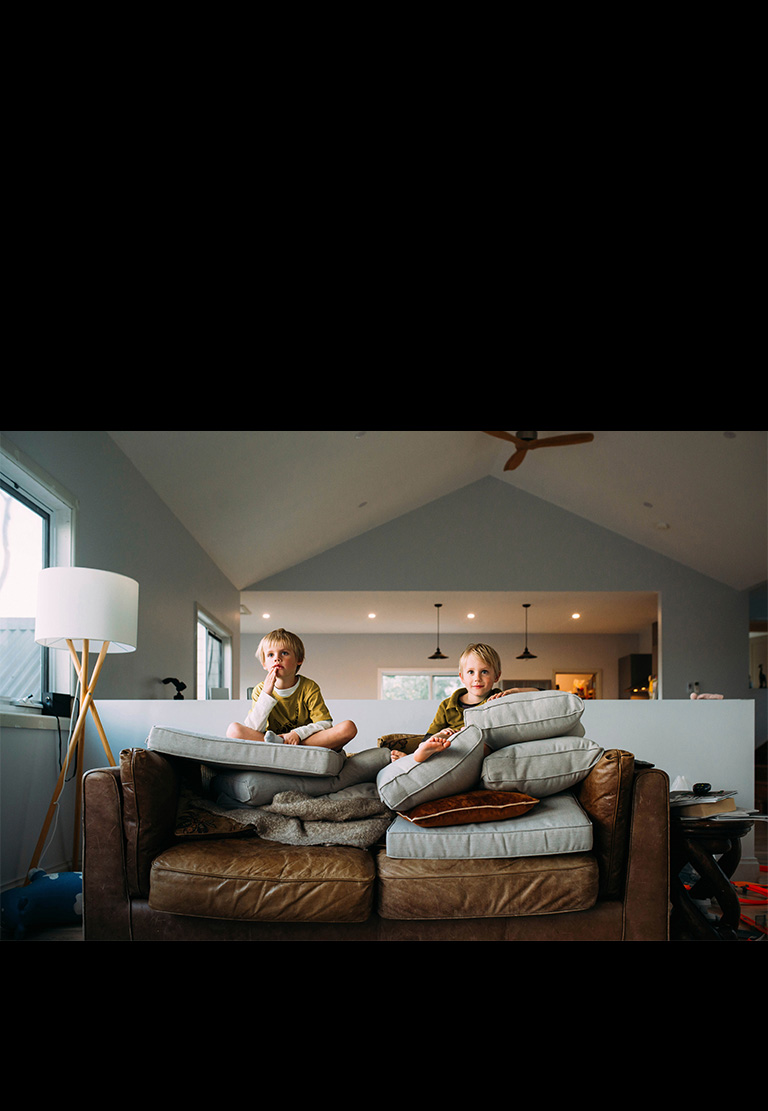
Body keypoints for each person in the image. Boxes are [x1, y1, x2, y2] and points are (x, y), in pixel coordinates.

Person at [392, 642, 537, 763]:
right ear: (462, 677)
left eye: (484, 672)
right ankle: (414, 758)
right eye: (471, 672)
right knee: (435, 742)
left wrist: (515, 691)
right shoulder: (447, 705)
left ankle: (415, 760)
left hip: (478, 746)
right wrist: (441, 734)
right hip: (448, 744)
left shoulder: (499, 699)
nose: (477, 678)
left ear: (496, 676)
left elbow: (541, 693)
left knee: (483, 745)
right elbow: (428, 737)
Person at [226, 628, 356, 751]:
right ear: (264, 664)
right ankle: (284, 745)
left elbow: (325, 724)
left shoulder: (309, 687)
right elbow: (253, 729)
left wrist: (297, 734)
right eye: (271, 655)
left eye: (284, 653)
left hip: (303, 739)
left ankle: (284, 745)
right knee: (233, 730)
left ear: (299, 660)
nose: (277, 658)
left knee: (348, 727)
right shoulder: (260, 690)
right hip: (269, 740)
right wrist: (266, 694)